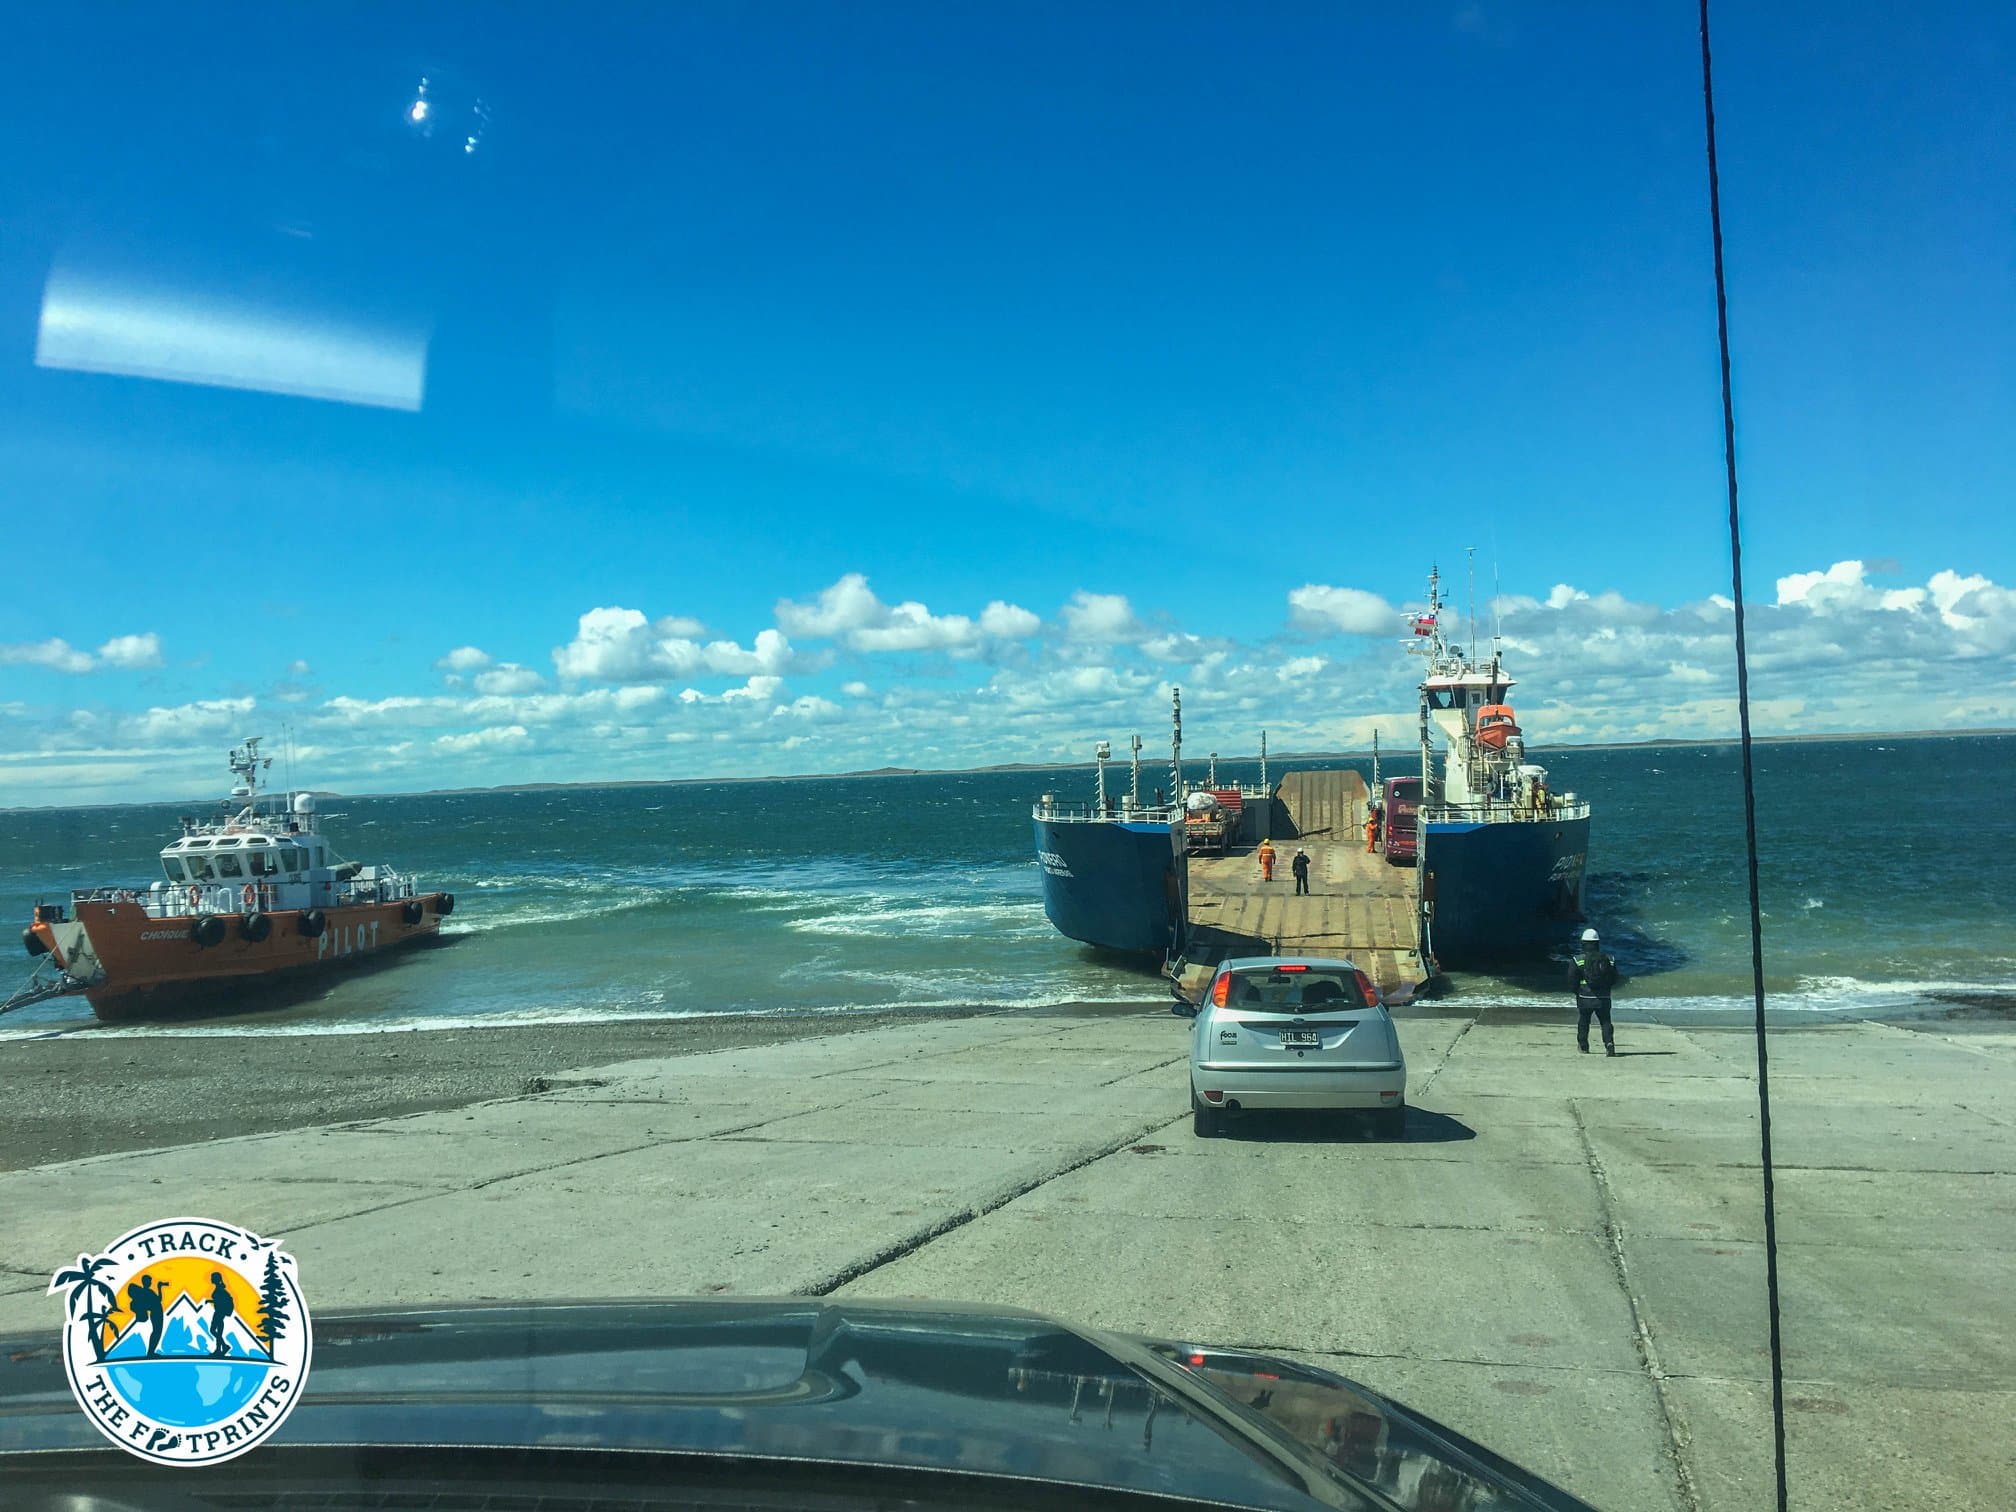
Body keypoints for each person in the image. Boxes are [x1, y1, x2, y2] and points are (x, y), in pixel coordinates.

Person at [1566, 927, 1619, 1055]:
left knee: (1584, 1021)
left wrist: (1577, 992)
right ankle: (1609, 1043)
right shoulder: (1609, 959)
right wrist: (1606, 989)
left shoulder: (1577, 960)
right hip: (1604, 998)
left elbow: (1572, 980)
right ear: (1597, 943)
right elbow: (1615, 978)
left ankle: (1583, 1046)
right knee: (1606, 1021)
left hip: (1585, 997)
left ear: (1583, 943)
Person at [128, 1275, 164, 1356]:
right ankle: (150, 1352)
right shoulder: (147, 1292)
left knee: (156, 1332)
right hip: (156, 1313)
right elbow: (158, 1300)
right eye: (149, 1281)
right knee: (156, 1332)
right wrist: (159, 1287)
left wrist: (159, 1288)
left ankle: (151, 1352)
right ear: (145, 1282)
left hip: (156, 1312)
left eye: (150, 1281)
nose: (150, 1283)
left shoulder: (146, 1291)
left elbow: (157, 1300)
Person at [208, 1272, 236, 1356]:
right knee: (218, 1332)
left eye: (212, 1278)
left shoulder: (219, 1289)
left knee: (213, 1330)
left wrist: (212, 1301)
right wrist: (211, 1301)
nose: (211, 1279)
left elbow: (220, 1301)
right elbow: (219, 1300)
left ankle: (223, 1346)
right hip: (220, 1312)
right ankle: (219, 1349)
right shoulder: (219, 1288)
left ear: (216, 1279)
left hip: (219, 1312)